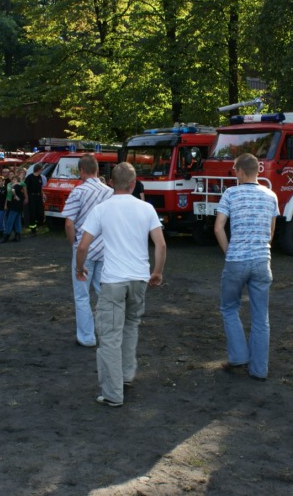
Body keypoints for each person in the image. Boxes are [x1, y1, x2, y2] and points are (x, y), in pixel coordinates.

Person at [75, 162, 166, 407]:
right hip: (139, 279)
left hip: (113, 280)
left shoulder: (102, 209)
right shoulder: (146, 208)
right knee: (131, 326)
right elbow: (160, 244)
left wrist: (79, 268)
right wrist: (157, 272)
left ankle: (113, 393)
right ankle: (126, 375)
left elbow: (82, 246)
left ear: (111, 183)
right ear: (134, 184)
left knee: (109, 336)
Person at [214, 153, 280, 381]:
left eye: (235, 170)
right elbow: (271, 232)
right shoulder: (271, 195)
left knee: (229, 308)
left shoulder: (230, 194)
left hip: (236, 260)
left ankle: (239, 356)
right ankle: (260, 370)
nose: (235, 174)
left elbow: (218, 228)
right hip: (262, 260)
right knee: (261, 316)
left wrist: (229, 251)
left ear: (241, 171)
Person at [63, 154, 114, 347]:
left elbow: (69, 223)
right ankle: (109, 334)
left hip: (84, 250)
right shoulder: (110, 193)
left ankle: (87, 337)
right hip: (105, 250)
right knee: (104, 294)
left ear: (81, 170)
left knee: (82, 296)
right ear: (97, 169)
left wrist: (74, 245)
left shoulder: (78, 192)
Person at [0, 173, 25, 243]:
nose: (13, 180)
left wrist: (14, 193)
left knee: (10, 221)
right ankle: (17, 236)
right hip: (18, 206)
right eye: (12, 179)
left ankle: (6, 236)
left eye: (14, 179)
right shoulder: (19, 186)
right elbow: (20, 196)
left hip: (15, 206)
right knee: (17, 221)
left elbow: (12, 191)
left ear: (17, 180)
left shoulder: (16, 186)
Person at [24, 164, 45, 236]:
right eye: (41, 169)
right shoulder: (29, 177)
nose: (42, 171)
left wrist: (43, 194)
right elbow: (25, 187)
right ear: (38, 169)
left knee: (40, 212)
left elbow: (40, 187)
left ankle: (39, 226)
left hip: (38, 197)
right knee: (32, 213)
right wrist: (26, 197)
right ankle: (33, 229)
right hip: (32, 197)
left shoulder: (40, 177)